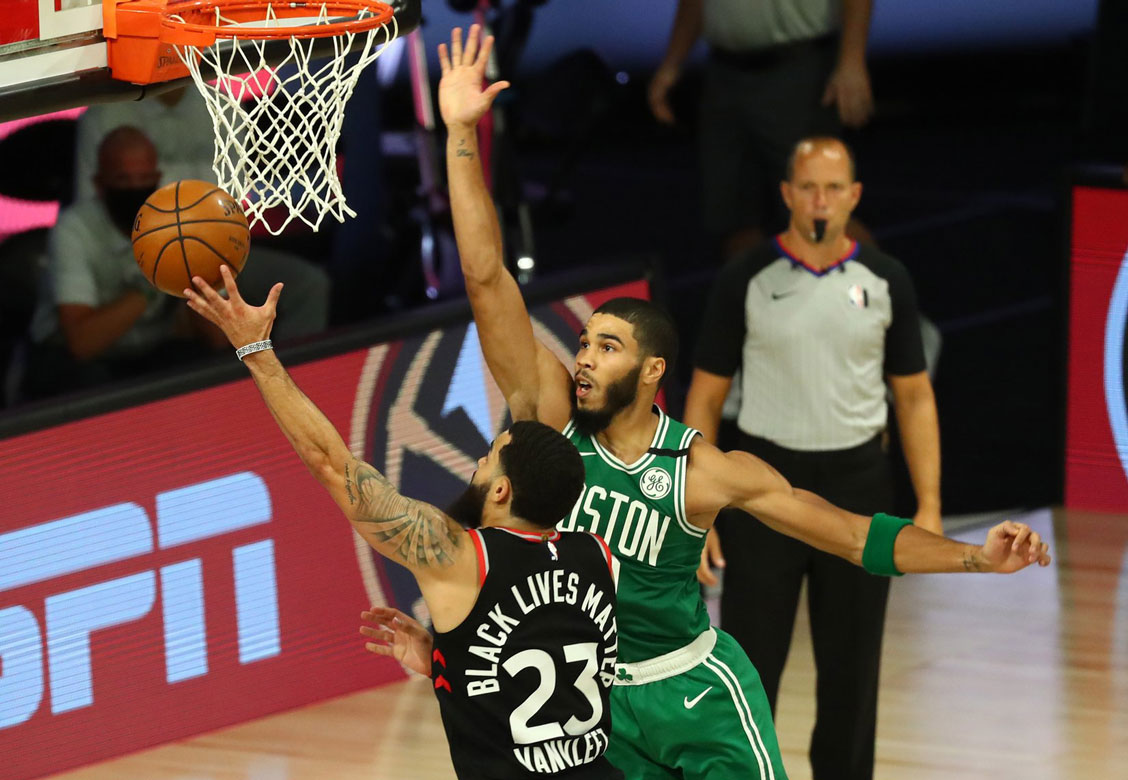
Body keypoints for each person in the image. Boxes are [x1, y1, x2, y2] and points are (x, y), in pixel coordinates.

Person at [439, 26, 1050, 780]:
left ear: (652, 370)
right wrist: (462, 134)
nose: (585, 359)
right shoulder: (552, 418)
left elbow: (854, 536)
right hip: (593, 697)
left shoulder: (704, 472)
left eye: (606, 347)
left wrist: (975, 560)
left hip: (695, 696)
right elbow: (484, 276)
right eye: (586, 343)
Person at [183, 263, 624, 780]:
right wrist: (446, 657)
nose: (479, 463)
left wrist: (254, 350)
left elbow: (333, 465)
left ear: (502, 490)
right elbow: (549, 653)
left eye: (490, 455)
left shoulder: (456, 555)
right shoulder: (599, 554)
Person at [685, 136, 937, 780]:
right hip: (763, 486)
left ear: (854, 195)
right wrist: (699, 506)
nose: (820, 200)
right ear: (787, 195)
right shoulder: (746, 277)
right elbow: (705, 397)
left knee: (853, 667)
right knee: (748, 666)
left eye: (833, 188)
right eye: (808, 187)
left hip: (859, 482)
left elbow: (912, 398)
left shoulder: (886, 279)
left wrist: (929, 504)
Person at [649, 0, 875, 259]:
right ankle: (757, 299)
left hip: (799, 69)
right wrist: (671, 65)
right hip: (725, 74)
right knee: (734, 218)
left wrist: (852, 61)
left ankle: (880, 296)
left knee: (823, 213)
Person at [23, 126, 206, 399]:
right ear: (99, 184)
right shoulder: (75, 229)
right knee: (89, 385)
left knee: (200, 369)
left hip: (152, 352)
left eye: (144, 179)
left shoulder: (176, 222)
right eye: (123, 180)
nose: (135, 189)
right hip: (72, 361)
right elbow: (82, 343)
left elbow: (218, 339)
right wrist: (153, 282)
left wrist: (193, 276)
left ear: (157, 179)